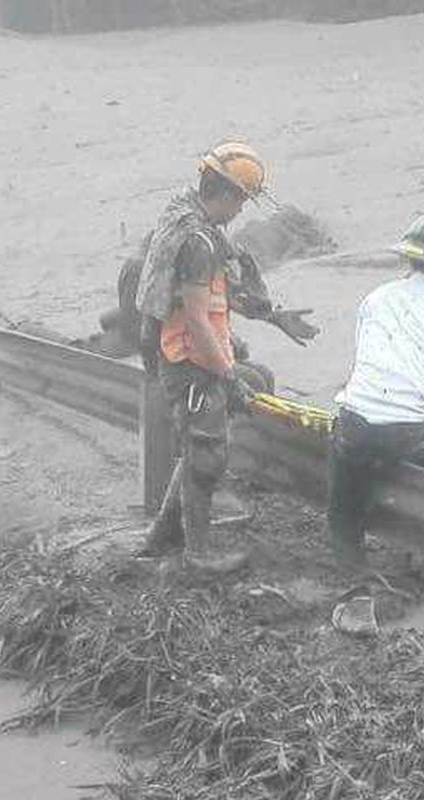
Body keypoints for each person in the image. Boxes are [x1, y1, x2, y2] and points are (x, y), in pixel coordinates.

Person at [132, 140, 272, 574]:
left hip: (181, 356)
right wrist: (229, 377)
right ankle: (199, 553)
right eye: (242, 201)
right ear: (227, 194)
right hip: (191, 361)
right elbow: (196, 320)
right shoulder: (199, 244)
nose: (241, 211)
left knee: (199, 445)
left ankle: (161, 536)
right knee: (207, 456)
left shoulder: (181, 220)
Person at [327, 210, 424, 567]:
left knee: (344, 511)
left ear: (411, 258)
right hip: (412, 435)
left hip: (355, 425)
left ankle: (355, 585)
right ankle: (422, 559)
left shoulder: (376, 299)